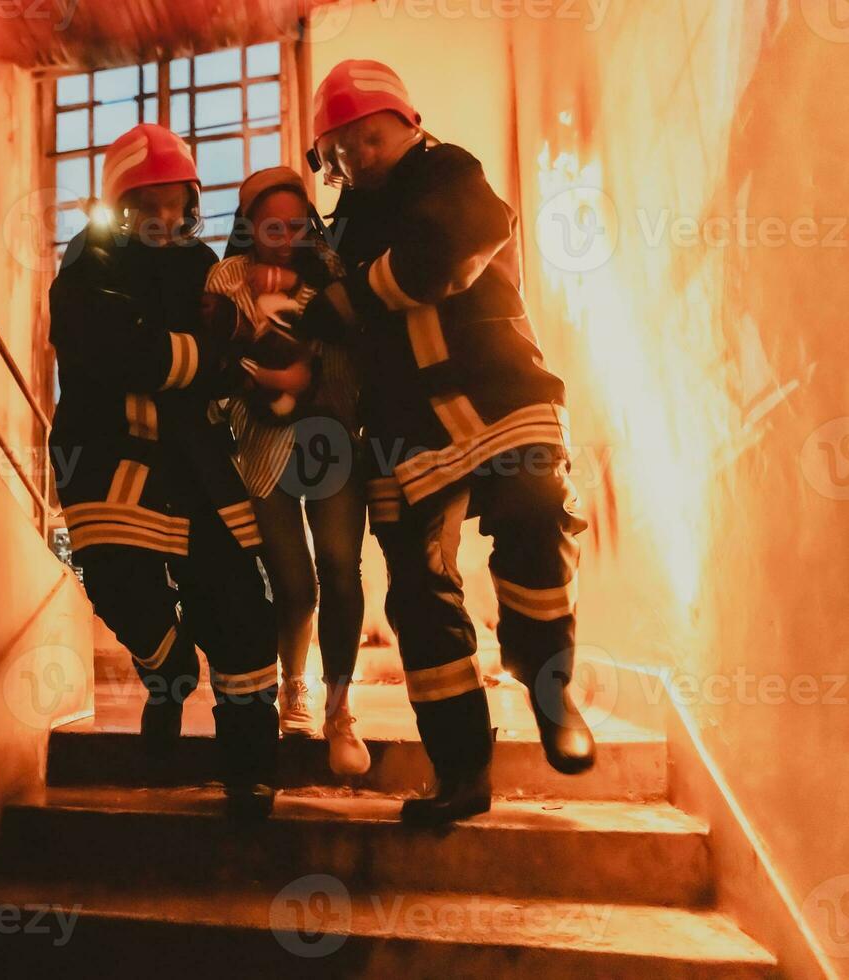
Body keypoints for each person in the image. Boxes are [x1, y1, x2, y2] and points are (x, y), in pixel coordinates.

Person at [279, 60, 596, 825]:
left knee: (531, 518)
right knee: (420, 597)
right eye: (342, 151)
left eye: (373, 139)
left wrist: (351, 301)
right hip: (404, 429)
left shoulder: (454, 172)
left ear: (409, 126)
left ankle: (546, 683)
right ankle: (460, 771)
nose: (360, 158)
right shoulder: (342, 229)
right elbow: (317, 318)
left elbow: (450, 249)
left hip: (501, 397)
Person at [48, 123, 281, 819]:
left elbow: (221, 357)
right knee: (118, 580)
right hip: (107, 455)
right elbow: (117, 353)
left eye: (177, 203)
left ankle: (250, 772)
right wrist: (199, 359)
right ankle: (168, 667)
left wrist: (208, 359)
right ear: (122, 205)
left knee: (240, 610)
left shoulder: (203, 262)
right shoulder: (88, 263)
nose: (165, 217)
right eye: (149, 204)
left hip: (199, 463)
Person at [202, 166, 370, 776]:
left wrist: (310, 373)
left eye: (296, 224)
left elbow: (353, 351)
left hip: (331, 439)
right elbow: (216, 358)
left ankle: (340, 707)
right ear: (249, 224)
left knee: (341, 571)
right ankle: (293, 687)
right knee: (294, 583)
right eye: (271, 225)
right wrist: (266, 373)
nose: (285, 236)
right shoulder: (226, 278)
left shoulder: (330, 270)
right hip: (262, 445)